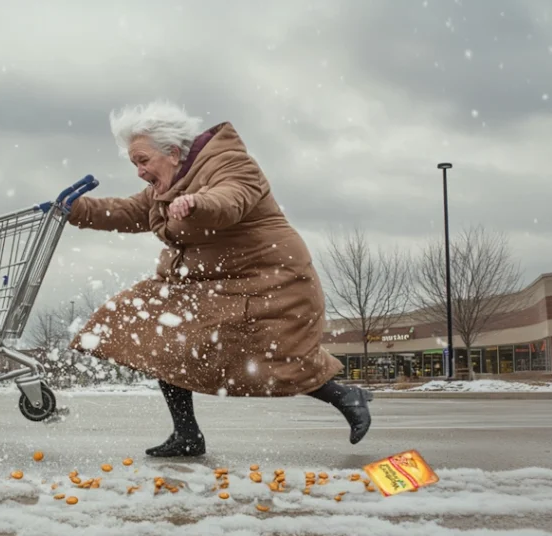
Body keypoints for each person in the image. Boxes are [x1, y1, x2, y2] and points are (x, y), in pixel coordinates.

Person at [62, 101, 372, 457]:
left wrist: (198, 203)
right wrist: (76, 209)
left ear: (173, 152)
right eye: (135, 163)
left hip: (268, 280)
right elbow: (131, 211)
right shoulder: (167, 185)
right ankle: (186, 434)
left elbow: (230, 198)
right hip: (207, 282)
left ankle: (346, 396)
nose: (139, 171)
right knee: (160, 333)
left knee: (277, 361)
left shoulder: (232, 163)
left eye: (143, 161)